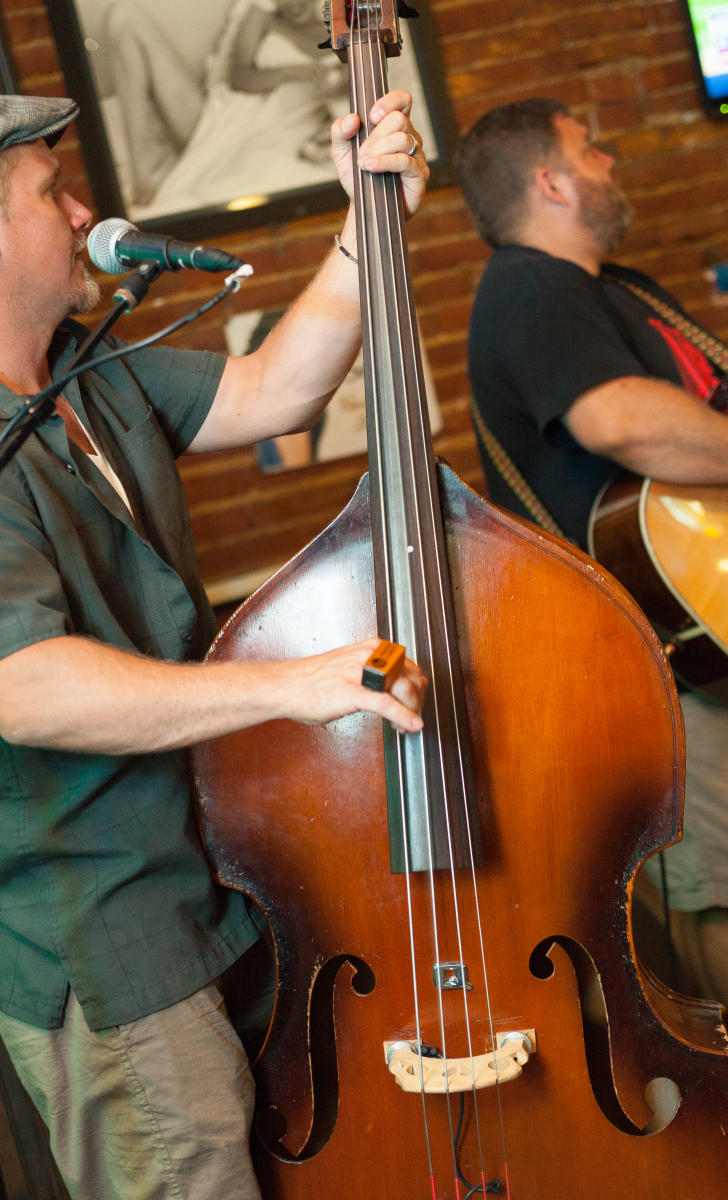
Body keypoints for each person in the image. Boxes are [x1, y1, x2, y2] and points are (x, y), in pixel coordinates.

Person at [0, 90, 428, 1199]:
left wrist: (363, 220)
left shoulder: (77, 378)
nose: (85, 210)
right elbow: (22, 686)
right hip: (109, 934)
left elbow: (279, 388)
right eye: (52, 193)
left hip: (207, 887)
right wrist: (293, 685)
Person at [457, 96, 728, 1188]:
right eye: (589, 148)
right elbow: (616, 423)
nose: (611, 160)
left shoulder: (619, 293)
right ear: (550, 184)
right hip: (666, 650)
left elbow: (717, 404)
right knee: (727, 896)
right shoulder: (526, 286)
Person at [105, 0, 348, 212]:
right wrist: (295, 72)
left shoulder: (347, 27)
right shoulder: (264, 15)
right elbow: (238, 77)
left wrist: (329, 86)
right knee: (125, 16)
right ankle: (142, 169)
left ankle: (171, 165)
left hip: (277, 128)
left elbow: (347, 94)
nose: (289, 4)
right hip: (220, 115)